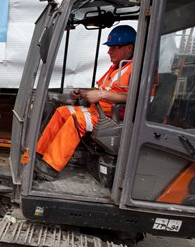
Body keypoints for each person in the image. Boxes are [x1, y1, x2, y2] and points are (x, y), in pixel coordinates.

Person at [34, 25, 137, 181]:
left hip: (114, 119)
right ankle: (39, 153)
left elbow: (138, 98)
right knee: (63, 111)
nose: (109, 51)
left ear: (129, 47)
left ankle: (50, 167)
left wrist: (102, 94)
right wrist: (83, 93)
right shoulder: (118, 67)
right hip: (100, 112)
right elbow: (101, 88)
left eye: (114, 47)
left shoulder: (138, 69)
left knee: (77, 120)